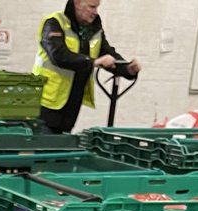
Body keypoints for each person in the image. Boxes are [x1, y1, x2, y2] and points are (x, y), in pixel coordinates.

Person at [33, 0, 140, 134]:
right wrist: (93, 62)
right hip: (46, 104)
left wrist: (127, 69)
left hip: (70, 108)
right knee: (46, 150)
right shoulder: (54, 23)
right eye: (92, 7)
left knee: (61, 150)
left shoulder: (93, 30)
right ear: (77, 3)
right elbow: (59, 55)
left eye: (97, 7)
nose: (95, 12)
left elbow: (107, 54)